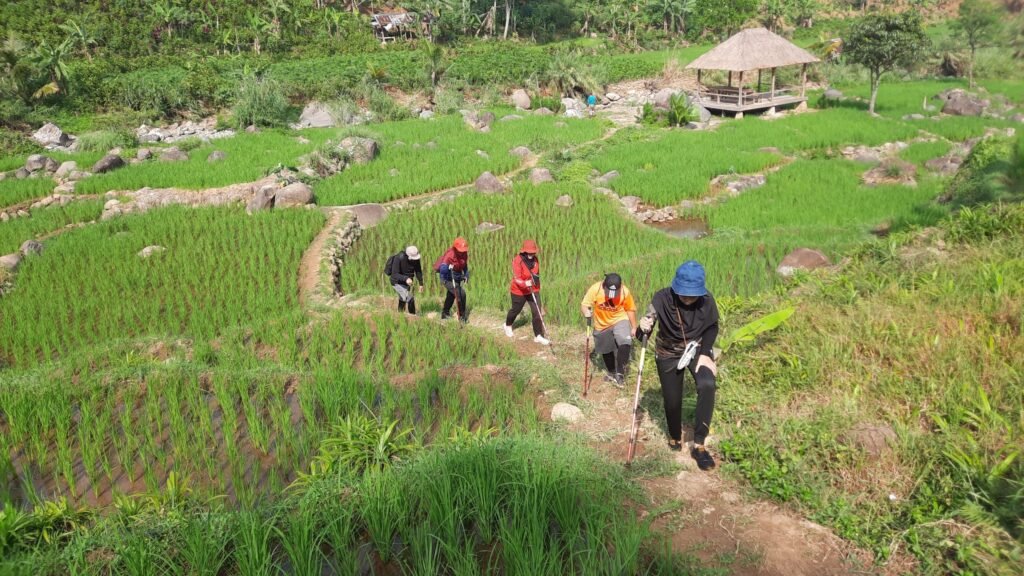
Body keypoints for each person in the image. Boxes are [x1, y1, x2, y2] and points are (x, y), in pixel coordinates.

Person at [637, 260, 719, 470]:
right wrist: (642, 327)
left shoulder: (707, 301)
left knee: (707, 383)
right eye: (684, 293)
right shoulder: (661, 299)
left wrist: (706, 354)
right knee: (673, 401)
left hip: (696, 349)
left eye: (693, 294)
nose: (688, 298)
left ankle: (699, 444)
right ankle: (674, 436)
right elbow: (643, 332)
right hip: (668, 352)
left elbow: (711, 327)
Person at [581, 273, 637, 388]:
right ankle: (612, 372)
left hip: (620, 318)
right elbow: (585, 304)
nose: (611, 296)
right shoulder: (595, 289)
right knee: (605, 349)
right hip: (601, 324)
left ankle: (620, 374)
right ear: (603, 284)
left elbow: (630, 309)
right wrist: (586, 312)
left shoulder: (624, 292)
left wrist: (634, 327)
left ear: (620, 286)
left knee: (625, 341)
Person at [504, 240, 549, 345]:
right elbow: (517, 278)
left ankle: (538, 336)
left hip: (532, 289)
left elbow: (536, 275)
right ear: (524, 251)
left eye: (533, 252)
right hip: (518, 290)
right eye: (529, 252)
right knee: (516, 310)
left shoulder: (535, 260)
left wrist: (535, 287)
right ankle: (507, 325)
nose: (531, 254)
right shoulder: (517, 260)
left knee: (537, 312)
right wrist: (525, 283)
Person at [436, 237, 469, 322]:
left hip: (457, 276)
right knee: (461, 294)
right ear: (455, 248)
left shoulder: (464, 254)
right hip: (447, 278)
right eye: (460, 250)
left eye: (463, 250)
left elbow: (465, 266)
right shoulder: (450, 255)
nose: (462, 252)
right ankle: (462, 317)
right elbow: (443, 270)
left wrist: (466, 275)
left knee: (451, 295)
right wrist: (448, 269)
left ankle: (445, 313)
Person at [385, 246, 423, 315]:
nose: (415, 260)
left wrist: (421, 283)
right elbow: (394, 274)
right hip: (397, 282)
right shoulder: (399, 258)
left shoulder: (416, 259)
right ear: (408, 255)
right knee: (410, 298)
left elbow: (418, 270)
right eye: (413, 259)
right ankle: (413, 317)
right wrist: (406, 278)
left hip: (408, 282)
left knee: (403, 298)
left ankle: (400, 315)